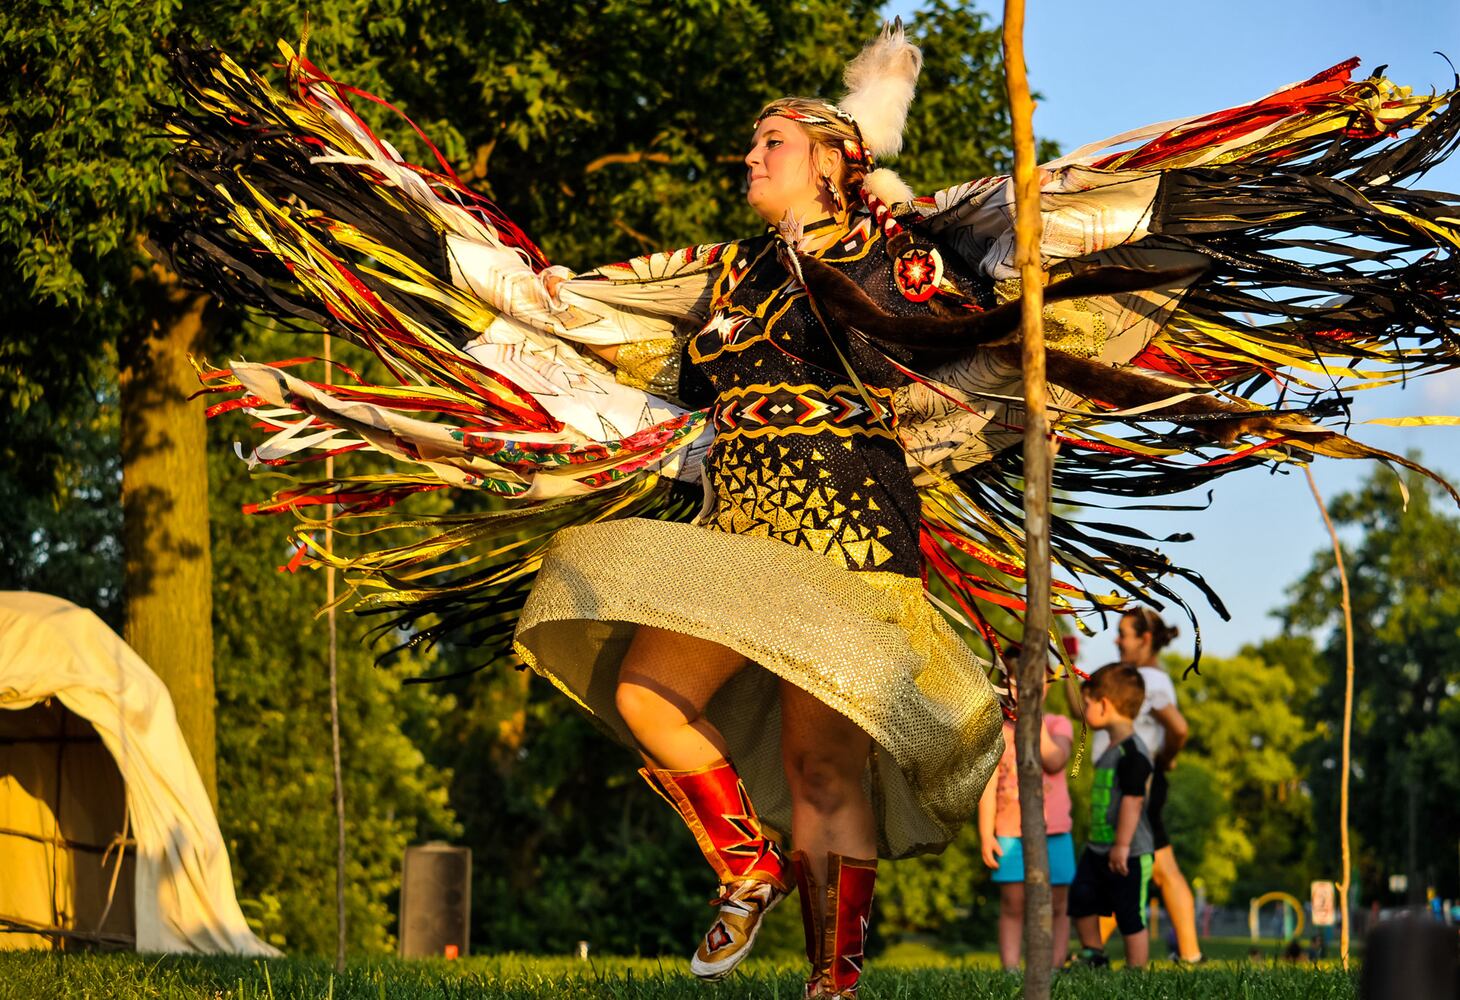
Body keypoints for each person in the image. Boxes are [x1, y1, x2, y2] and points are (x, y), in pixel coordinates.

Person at [159, 21, 1460, 997]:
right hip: (740, 515)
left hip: (847, 523)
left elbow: (974, 284)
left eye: (772, 141)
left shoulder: (893, 250)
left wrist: (905, 216)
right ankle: (746, 860)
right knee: (643, 690)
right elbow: (571, 308)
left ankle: (833, 973)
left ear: (832, 157)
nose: (750, 155)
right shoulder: (712, 272)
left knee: (829, 764)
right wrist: (453, 241)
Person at [1094, 607, 1203, 963]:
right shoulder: (1143, 677)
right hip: (1132, 784)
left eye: (1123, 633)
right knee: (1156, 868)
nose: (1117, 639)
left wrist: (1166, 758)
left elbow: (1179, 728)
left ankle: (1091, 951)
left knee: (1140, 867)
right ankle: (1188, 956)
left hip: (1137, 786)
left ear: (1144, 640)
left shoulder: (1148, 681)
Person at [977, 667, 1075, 971]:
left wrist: (1035, 720)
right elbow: (988, 785)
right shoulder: (997, 730)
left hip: (1055, 832)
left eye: (1027, 685)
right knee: (1013, 904)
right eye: (1012, 684)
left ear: (1045, 687)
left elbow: (1054, 760)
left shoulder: (1059, 724)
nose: (1017, 691)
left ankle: (1055, 965)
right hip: (1010, 832)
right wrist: (986, 834)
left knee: (1057, 905)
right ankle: (1010, 968)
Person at [1069, 664, 1155, 969]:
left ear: (1104, 704)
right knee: (1080, 898)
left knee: (1130, 913)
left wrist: (1121, 845)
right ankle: (1094, 955)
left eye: (1088, 702)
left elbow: (1133, 801)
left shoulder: (1132, 753)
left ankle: (1136, 972)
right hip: (1097, 849)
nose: (1084, 709)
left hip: (1128, 852)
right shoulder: (1111, 748)